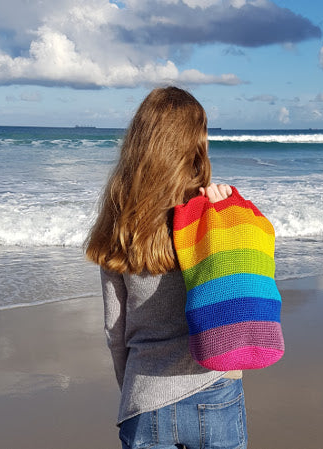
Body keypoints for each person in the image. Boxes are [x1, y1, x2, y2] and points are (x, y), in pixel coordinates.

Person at [85, 86, 247, 449]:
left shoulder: (121, 219)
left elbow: (115, 329)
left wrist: (136, 389)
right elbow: (245, 297)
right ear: (194, 141)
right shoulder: (215, 212)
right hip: (215, 384)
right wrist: (231, 218)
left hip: (145, 393)